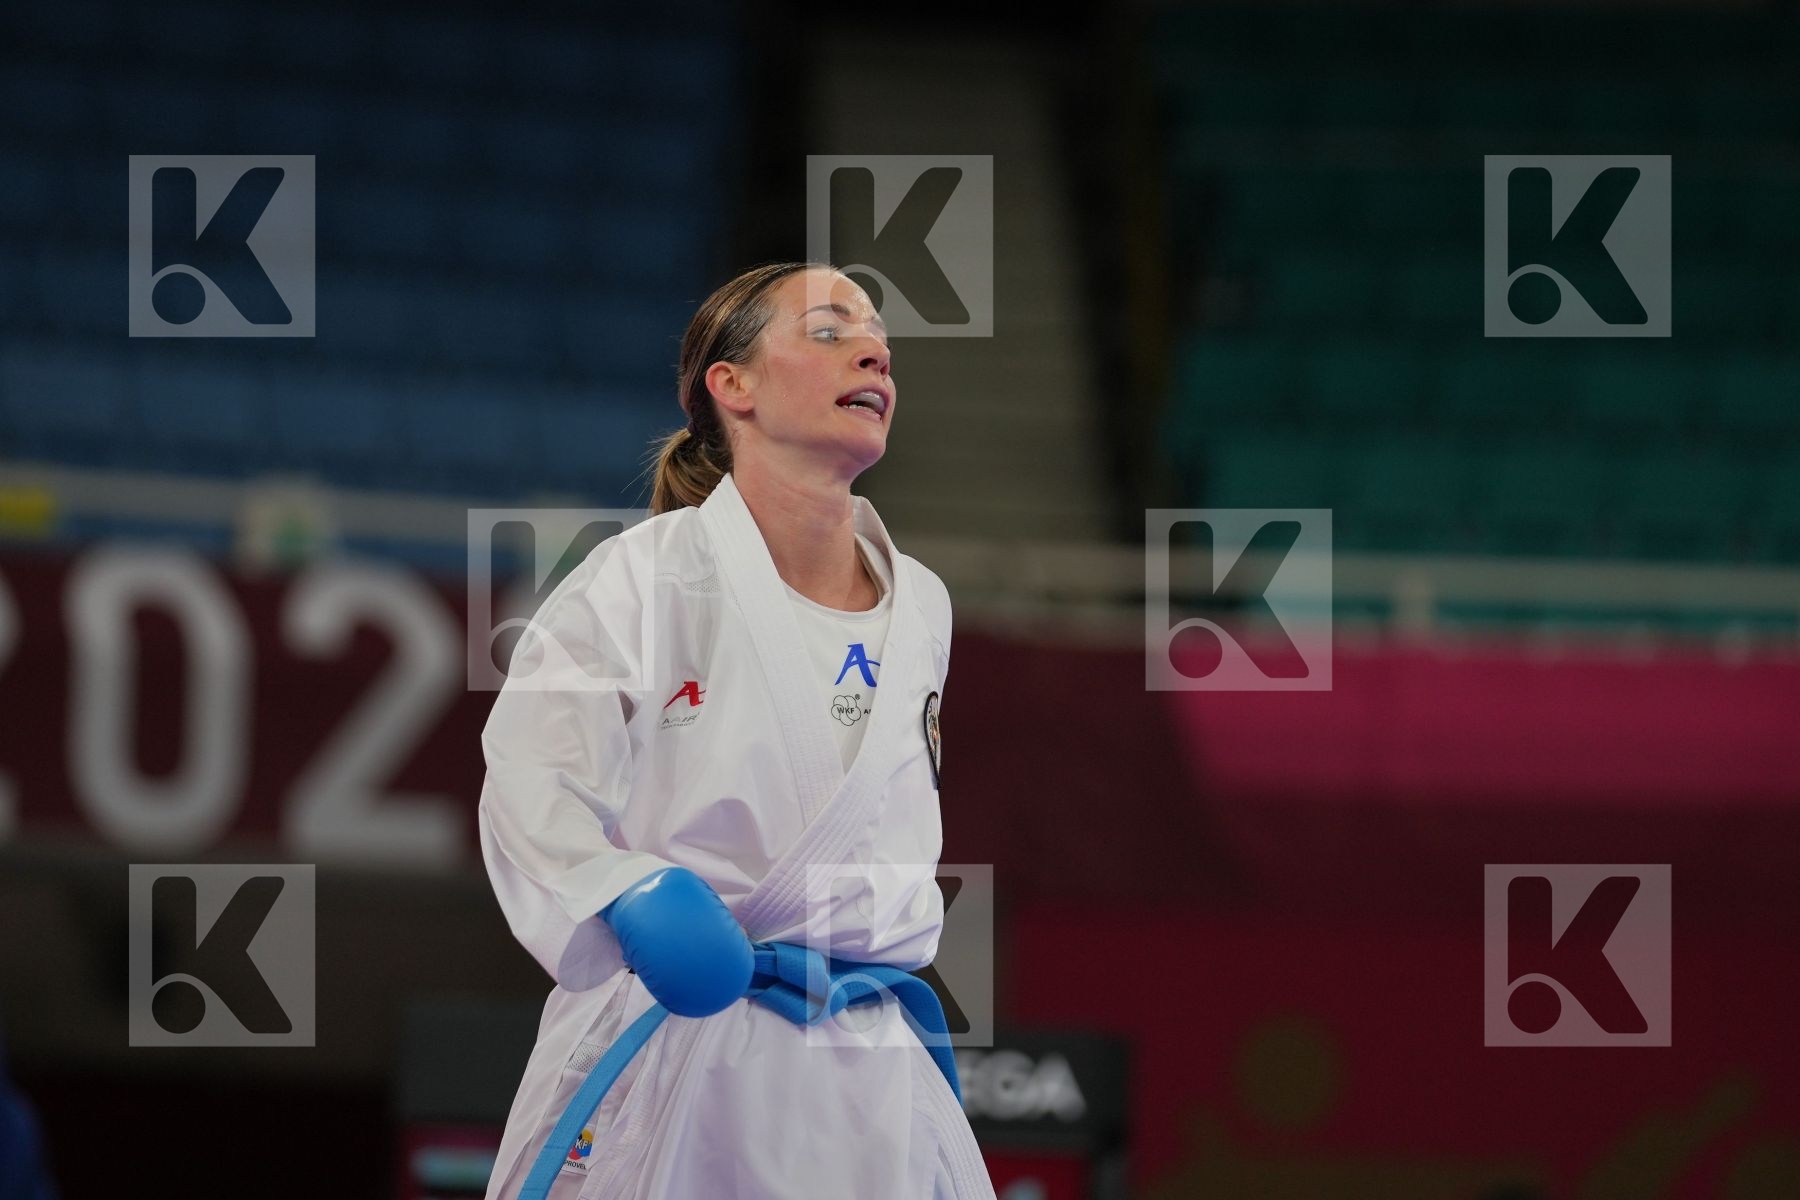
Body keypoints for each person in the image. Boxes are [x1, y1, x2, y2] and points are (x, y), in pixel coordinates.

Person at [478, 262, 993, 1199]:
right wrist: (625, 892)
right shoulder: (641, 576)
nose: (875, 352)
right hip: (680, 1031)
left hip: (869, 1063)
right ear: (734, 384)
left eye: (879, 338)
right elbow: (529, 772)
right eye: (831, 330)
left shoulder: (924, 604)